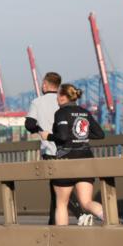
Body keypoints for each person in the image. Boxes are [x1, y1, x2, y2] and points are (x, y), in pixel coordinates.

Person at [25, 72, 89, 226]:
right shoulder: (63, 100)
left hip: (50, 151)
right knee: (57, 189)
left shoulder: (37, 102)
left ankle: (81, 215)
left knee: (60, 188)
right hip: (73, 150)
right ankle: (53, 223)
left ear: (45, 84)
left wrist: (39, 129)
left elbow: (29, 124)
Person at [43, 84, 106, 226]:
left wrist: (48, 136)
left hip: (66, 160)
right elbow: (100, 134)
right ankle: (110, 219)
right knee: (86, 202)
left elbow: (63, 136)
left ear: (63, 97)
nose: (56, 99)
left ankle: (62, 236)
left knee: (61, 204)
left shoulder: (61, 113)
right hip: (85, 159)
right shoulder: (84, 112)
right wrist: (80, 135)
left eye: (58, 96)